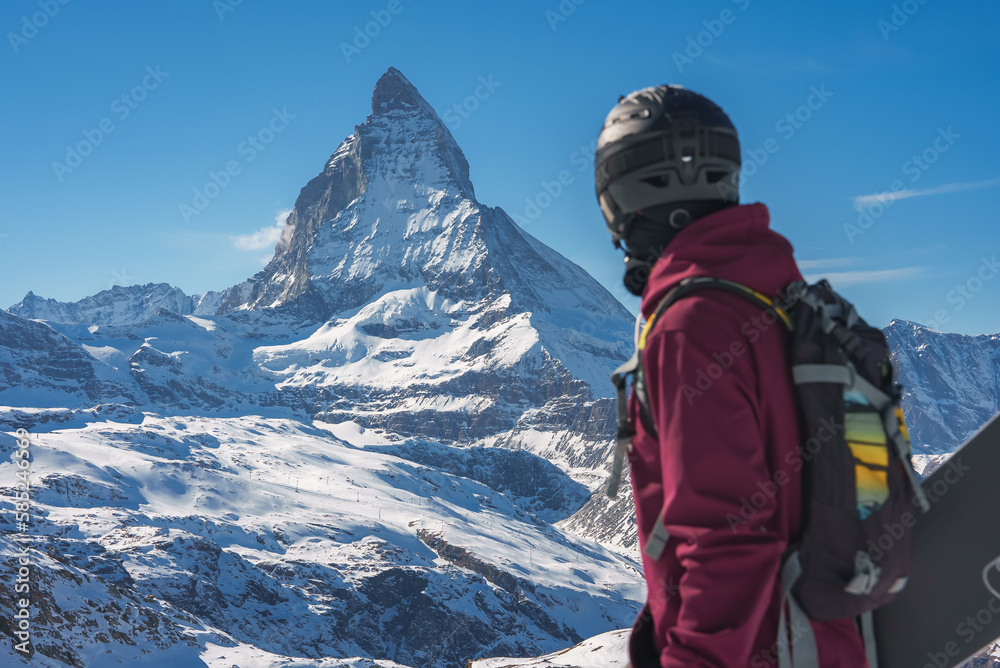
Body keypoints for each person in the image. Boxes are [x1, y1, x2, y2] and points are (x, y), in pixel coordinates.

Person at [593, 85, 869, 667]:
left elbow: (726, 542)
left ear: (620, 196)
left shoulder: (690, 327)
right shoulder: (776, 296)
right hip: (824, 641)